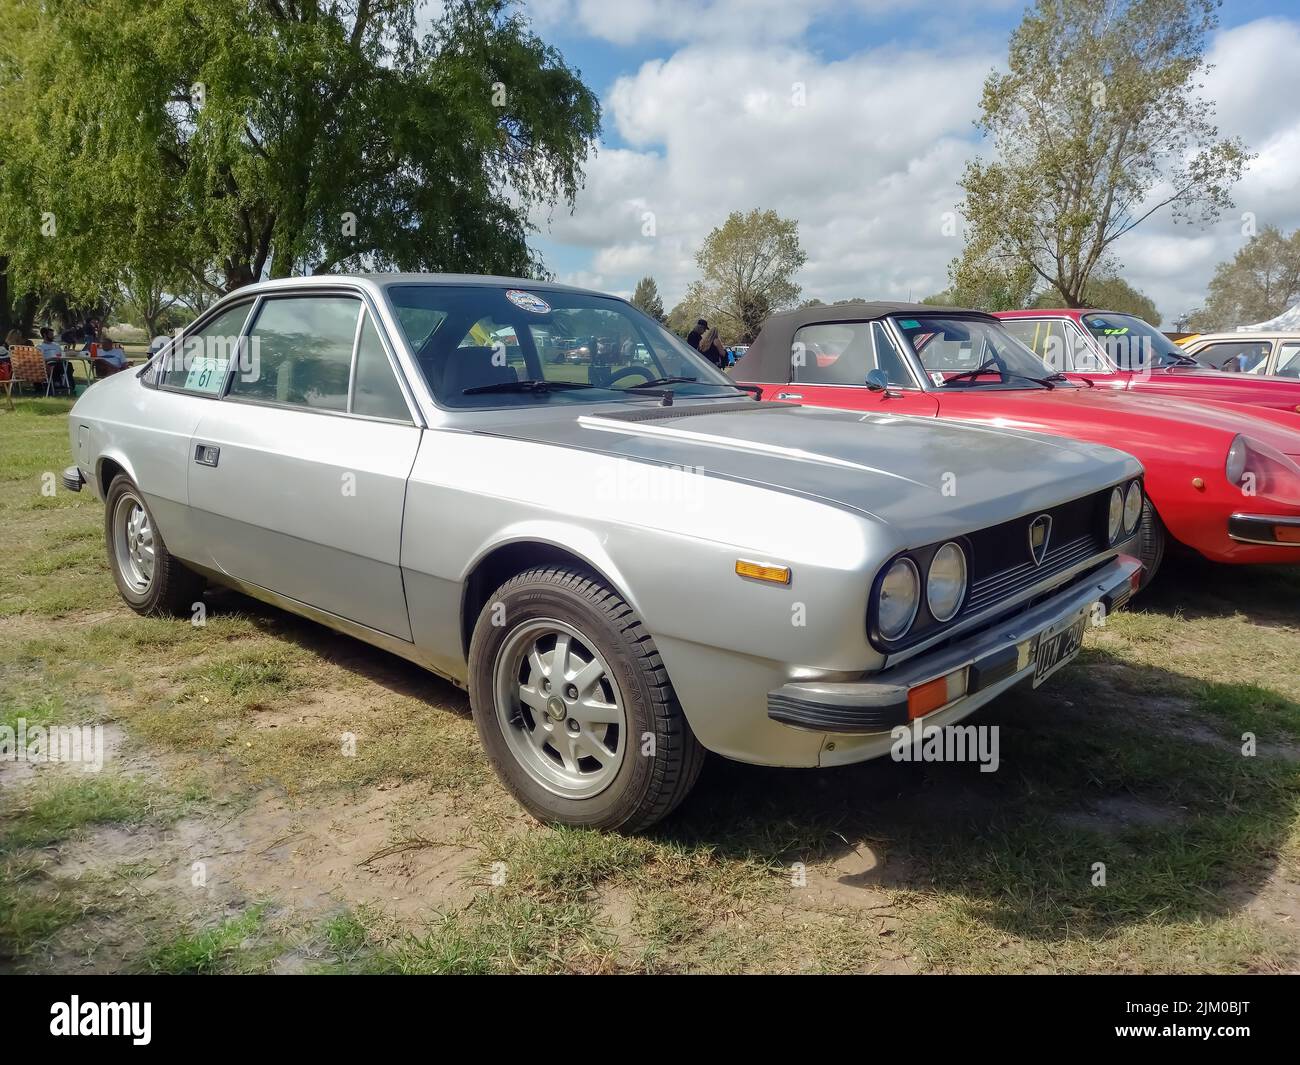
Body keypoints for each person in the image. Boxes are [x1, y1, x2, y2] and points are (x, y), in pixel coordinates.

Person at [37, 326, 75, 393]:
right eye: (51, 335)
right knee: (59, 366)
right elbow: (39, 359)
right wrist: (51, 358)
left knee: (68, 365)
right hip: (47, 364)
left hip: (59, 362)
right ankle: (58, 384)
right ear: (45, 335)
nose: (53, 336)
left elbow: (61, 355)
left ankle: (70, 384)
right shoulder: (40, 347)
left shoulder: (56, 345)